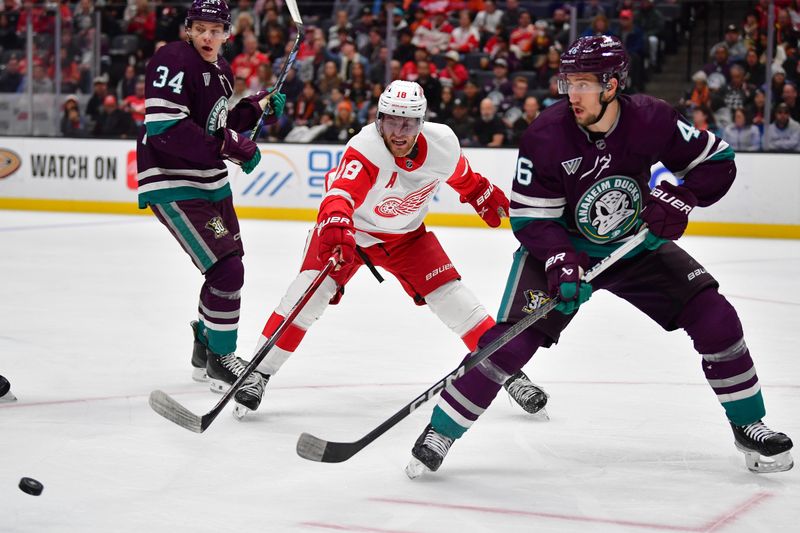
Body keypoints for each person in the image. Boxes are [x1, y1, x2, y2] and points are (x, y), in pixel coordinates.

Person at [407, 35, 794, 477]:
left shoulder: (652, 119)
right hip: (562, 248)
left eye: (584, 84)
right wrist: (559, 260)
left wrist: (682, 198)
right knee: (511, 343)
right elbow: (533, 218)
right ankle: (441, 430)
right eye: (568, 82)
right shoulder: (545, 136)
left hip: (634, 245)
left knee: (716, 317)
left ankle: (750, 423)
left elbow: (717, 161)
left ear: (612, 85)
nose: (572, 94)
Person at [249, 81, 547, 417]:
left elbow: (463, 176)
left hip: (405, 237)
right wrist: (334, 225)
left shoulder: (442, 144)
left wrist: (479, 190)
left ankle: (508, 373)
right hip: (349, 231)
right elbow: (340, 195)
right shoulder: (366, 148)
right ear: (378, 119)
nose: (399, 132)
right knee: (307, 294)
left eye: (407, 123)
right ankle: (257, 373)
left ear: (421, 123)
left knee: (455, 299)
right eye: (391, 121)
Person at [135, 0, 286, 417]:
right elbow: (164, 129)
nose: (206, 37)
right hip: (174, 181)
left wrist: (255, 107)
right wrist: (231, 145)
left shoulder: (220, 70)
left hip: (208, 180)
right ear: (188, 29)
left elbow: (215, 124)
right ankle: (221, 356)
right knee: (226, 269)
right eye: (199, 28)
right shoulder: (172, 58)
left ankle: (206, 345)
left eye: (214, 30)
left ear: (227, 34)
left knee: (229, 263)